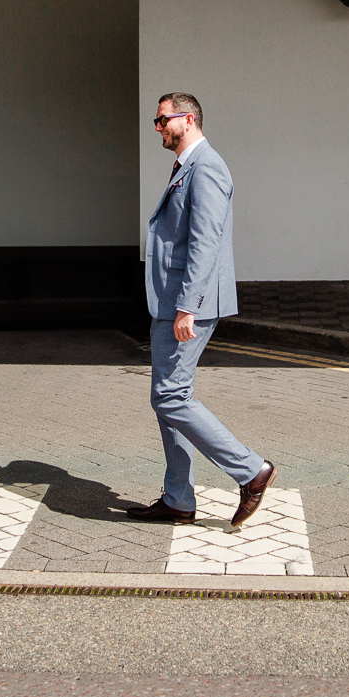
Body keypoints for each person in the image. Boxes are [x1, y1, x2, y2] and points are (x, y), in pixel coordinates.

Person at [128, 92, 275, 527]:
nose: (157, 128)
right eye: (156, 121)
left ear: (187, 119)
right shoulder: (187, 166)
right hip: (172, 299)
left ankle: (251, 470)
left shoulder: (207, 167)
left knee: (171, 396)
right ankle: (177, 497)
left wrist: (187, 307)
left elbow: (205, 244)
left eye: (162, 121)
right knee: (170, 397)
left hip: (187, 302)